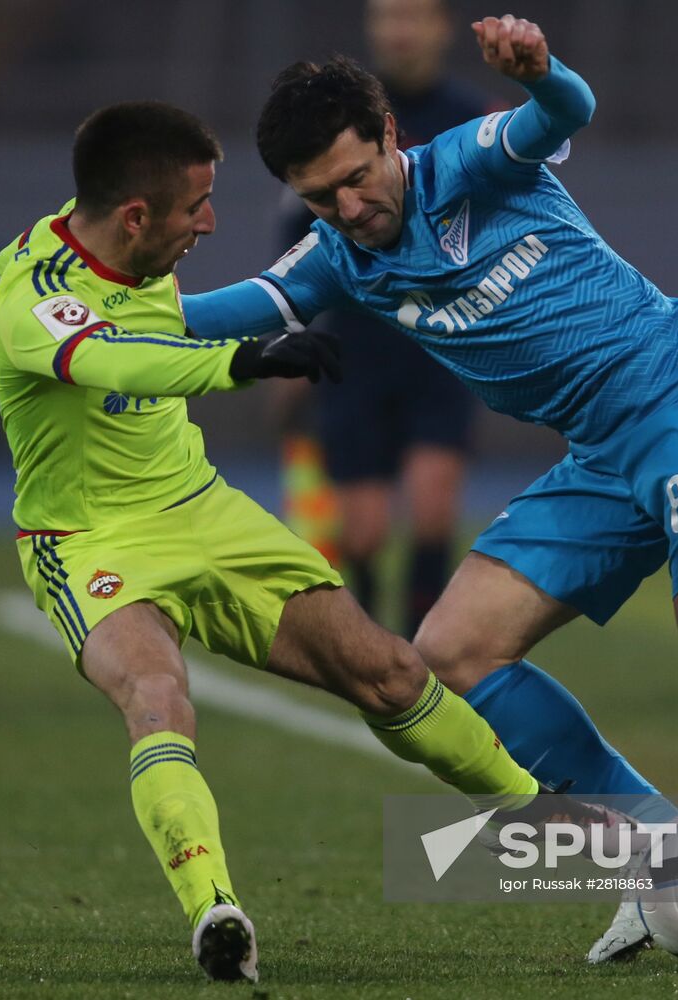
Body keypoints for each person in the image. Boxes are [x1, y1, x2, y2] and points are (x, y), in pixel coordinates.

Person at [181, 14, 678, 972]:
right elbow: (231, 311)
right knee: (452, 654)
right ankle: (674, 856)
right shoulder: (335, 255)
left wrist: (545, 72)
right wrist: (97, 307)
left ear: (390, 135)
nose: (347, 207)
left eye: (355, 178)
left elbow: (564, 112)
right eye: (320, 196)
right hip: (600, 454)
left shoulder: (467, 163)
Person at [0, 100, 605, 984]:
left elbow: (181, 324)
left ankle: (537, 819)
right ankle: (215, 911)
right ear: (135, 216)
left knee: (389, 673)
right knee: (157, 696)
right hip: (85, 541)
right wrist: (245, 359)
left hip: (204, 510)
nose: (209, 222)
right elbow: (120, 359)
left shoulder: (137, 245)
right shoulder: (32, 299)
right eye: (196, 205)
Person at [273, 0, 493, 635]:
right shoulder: (333, 119)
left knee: (430, 510)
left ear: (440, 28)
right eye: (387, 17)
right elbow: (293, 240)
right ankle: (373, 655)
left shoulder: (469, 118)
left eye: (412, 17)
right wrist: (290, 340)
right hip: (359, 347)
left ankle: (426, 658)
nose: (398, 31)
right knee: (362, 531)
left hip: (441, 345)